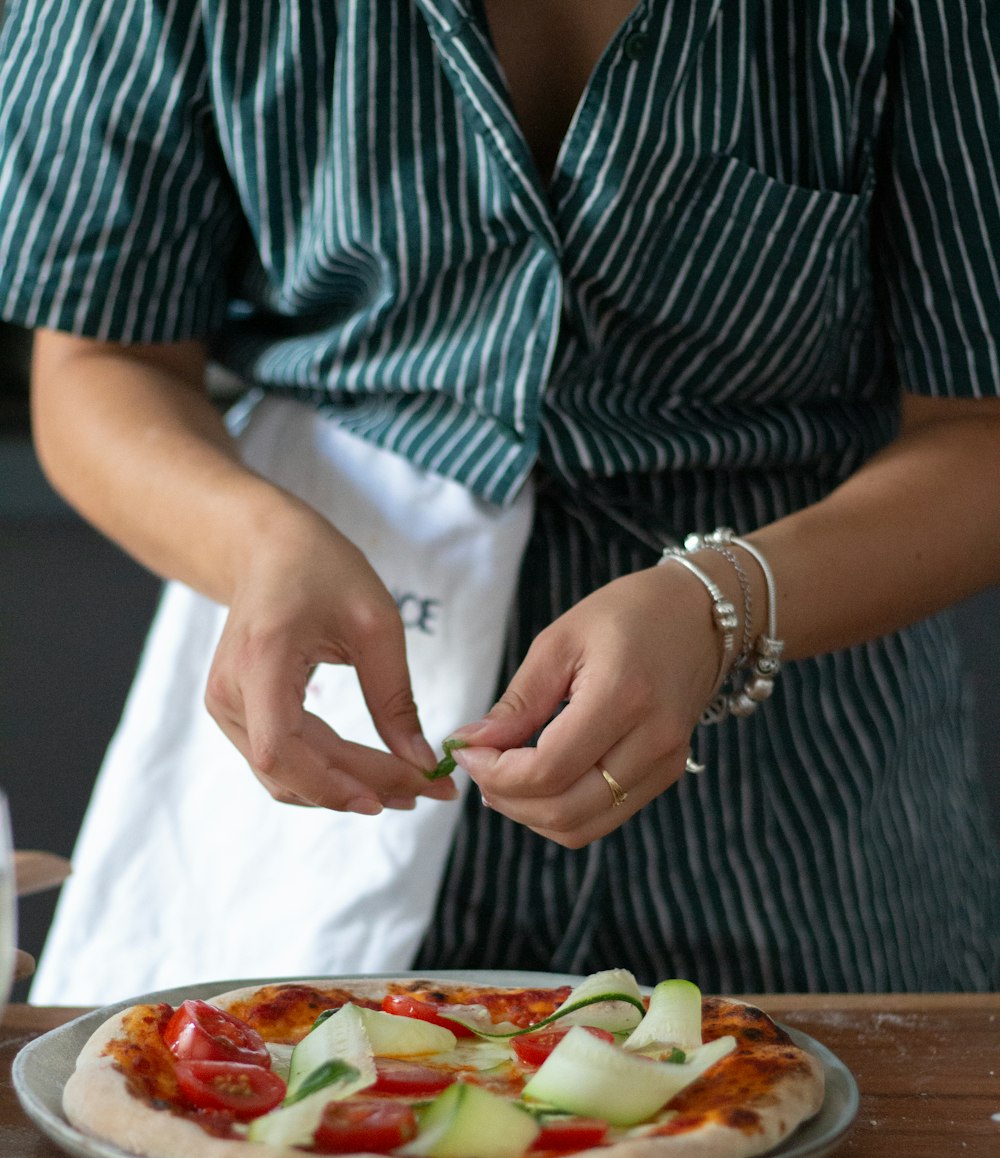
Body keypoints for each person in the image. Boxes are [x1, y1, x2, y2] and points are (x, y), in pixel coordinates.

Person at [1, 0, 998, 1002]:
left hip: (805, 784)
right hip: (328, 749)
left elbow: (980, 427)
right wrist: (254, 546)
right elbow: (99, 358)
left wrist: (723, 603)